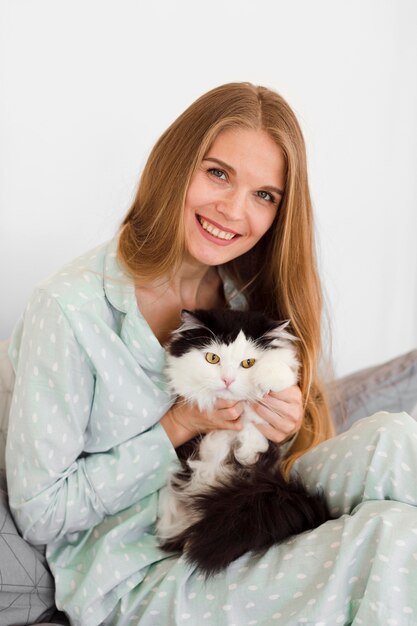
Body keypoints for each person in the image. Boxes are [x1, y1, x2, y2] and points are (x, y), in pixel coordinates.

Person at [5, 82, 417, 626]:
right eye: (218, 173)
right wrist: (174, 428)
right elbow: (40, 513)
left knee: (394, 442)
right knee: (392, 538)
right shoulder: (71, 310)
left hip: (240, 515)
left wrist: (285, 423)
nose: (233, 210)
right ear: (176, 164)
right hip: (139, 571)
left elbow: (256, 451)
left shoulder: (241, 297)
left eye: (264, 195)